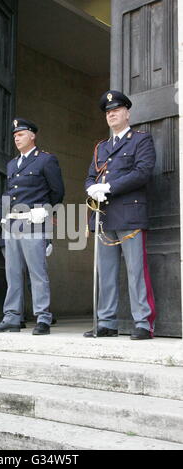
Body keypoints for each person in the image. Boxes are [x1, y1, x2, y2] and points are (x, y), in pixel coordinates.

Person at [84, 90, 157, 340]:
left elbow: (143, 172)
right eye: (107, 112)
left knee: (137, 271)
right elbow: (90, 176)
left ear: (127, 113)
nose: (111, 114)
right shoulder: (101, 147)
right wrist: (92, 188)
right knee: (106, 273)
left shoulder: (140, 140)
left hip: (130, 214)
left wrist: (109, 187)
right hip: (104, 217)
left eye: (116, 110)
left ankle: (143, 323)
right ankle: (106, 322)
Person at [0, 118, 64, 335]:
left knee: (37, 272)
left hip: (33, 221)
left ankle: (43, 317)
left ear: (32, 136)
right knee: (12, 272)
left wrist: (47, 212)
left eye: (20, 134)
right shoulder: (12, 164)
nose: (16, 138)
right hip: (12, 223)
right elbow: (10, 193)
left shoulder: (46, 160)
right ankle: (12, 316)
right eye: (14, 136)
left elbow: (57, 191)